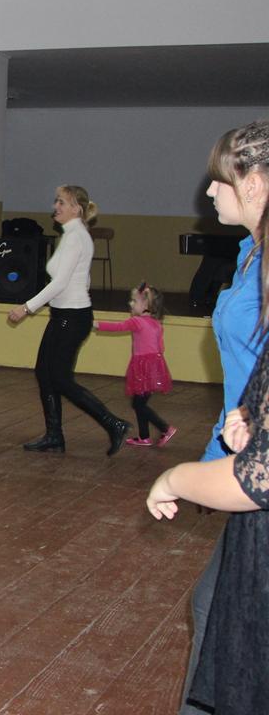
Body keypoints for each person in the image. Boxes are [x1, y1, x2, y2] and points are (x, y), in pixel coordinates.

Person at [159, 121, 269, 715]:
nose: (208, 192)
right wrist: (216, 456)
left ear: (253, 183)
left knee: (224, 618)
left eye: (218, 180)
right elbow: (246, 380)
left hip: (259, 470)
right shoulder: (251, 255)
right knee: (212, 609)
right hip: (245, 451)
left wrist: (183, 477)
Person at [6, 185, 131, 455]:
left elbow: (60, 282)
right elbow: (82, 278)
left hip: (72, 318)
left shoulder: (76, 237)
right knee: (45, 373)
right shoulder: (74, 235)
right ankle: (54, 436)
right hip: (65, 315)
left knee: (60, 378)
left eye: (62, 202)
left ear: (77, 209)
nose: (56, 206)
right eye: (57, 201)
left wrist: (26, 308)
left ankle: (114, 424)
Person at [93, 282, 175, 447]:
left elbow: (117, 327)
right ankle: (144, 437)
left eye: (134, 301)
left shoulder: (137, 322)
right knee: (139, 403)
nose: (131, 304)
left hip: (143, 369)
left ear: (145, 305)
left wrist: (95, 323)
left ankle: (165, 428)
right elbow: (160, 347)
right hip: (153, 368)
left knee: (138, 404)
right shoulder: (156, 323)